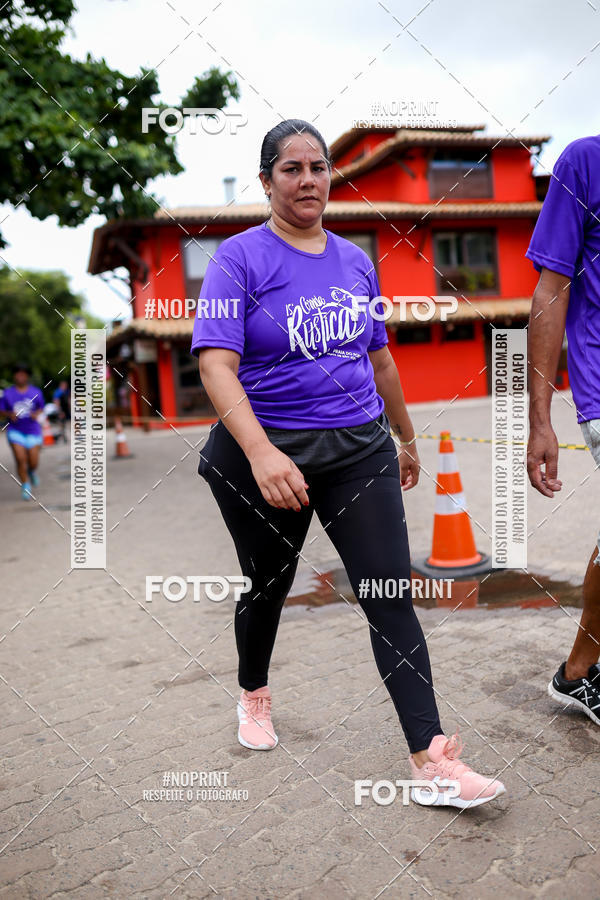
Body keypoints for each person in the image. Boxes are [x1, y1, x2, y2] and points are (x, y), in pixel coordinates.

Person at [190, 119, 505, 808]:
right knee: (268, 586)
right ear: (268, 179)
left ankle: (432, 761)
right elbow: (216, 362)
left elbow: (379, 355)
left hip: (357, 450)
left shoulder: (356, 260)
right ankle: (254, 694)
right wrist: (262, 452)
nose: (308, 180)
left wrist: (408, 437)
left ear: (331, 176)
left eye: (318, 167)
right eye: (291, 169)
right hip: (263, 456)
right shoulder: (238, 260)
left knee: (390, 596)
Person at [526, 134, 600, 726]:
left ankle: (580, 672)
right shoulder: (585, 161)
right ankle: (579, 672)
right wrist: (540, 420)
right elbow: (550, 291)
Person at [0, 363, 44, 500]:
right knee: (20, 459)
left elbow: (41, 407)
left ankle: (31, 472)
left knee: (33, 462)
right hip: (15, 431)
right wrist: (9, 414)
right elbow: (1, 410)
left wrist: (36, 414)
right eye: (17, 373)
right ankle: (25, 485)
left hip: (33, 431)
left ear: (27, 376)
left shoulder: (36, 392)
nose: (20, 376)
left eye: (23, 373)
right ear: (14, 376)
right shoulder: (7, 393)